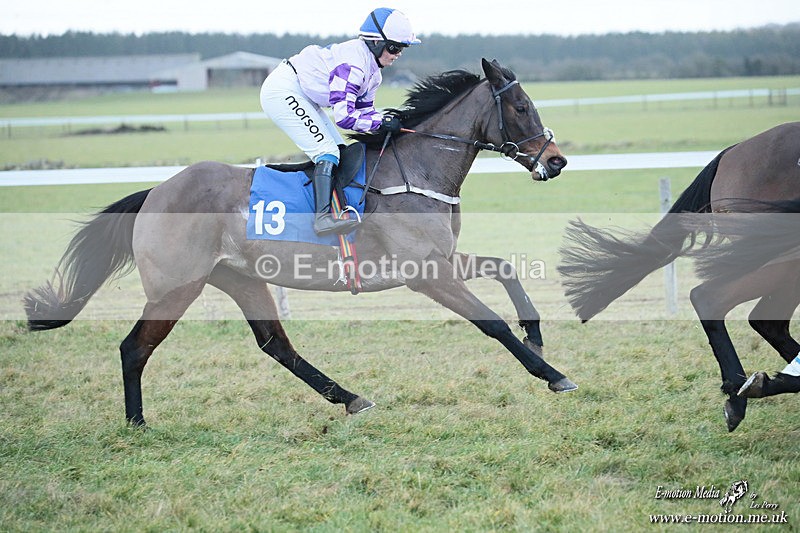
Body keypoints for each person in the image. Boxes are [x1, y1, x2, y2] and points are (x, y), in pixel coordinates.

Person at [260, 7, 421, 236]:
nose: (397, 54)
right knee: (327, 152)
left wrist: (389, 120)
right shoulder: (354, 65)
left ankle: (337, 208)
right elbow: (345, 118)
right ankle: (322, 218)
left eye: (402, 49)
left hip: (306, 95)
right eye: (394, 47)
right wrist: (381, 123)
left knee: (340, 151)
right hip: (284, 90)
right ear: (375, 42)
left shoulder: (374, 73)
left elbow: (365, 113)